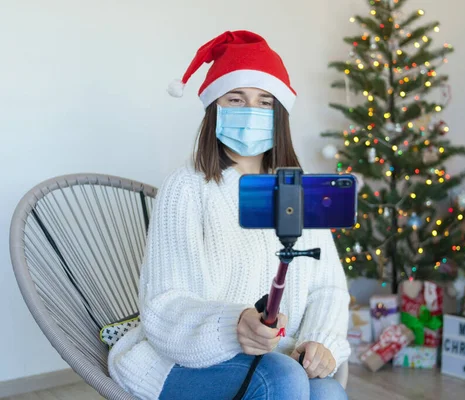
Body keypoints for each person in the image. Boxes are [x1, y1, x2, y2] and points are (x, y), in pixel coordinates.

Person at [107, 30, 350, 400]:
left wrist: (321, 342)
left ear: (280, 114)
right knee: (282, 379)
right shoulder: (186, 188)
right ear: (214, 109)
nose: (250, 111)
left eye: (265, 101)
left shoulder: (297, 191)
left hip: (277, 359)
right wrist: (234, 324)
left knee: (327, 392)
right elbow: (164, 304)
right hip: (179, 361)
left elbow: (327, 287)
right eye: (235, 99)